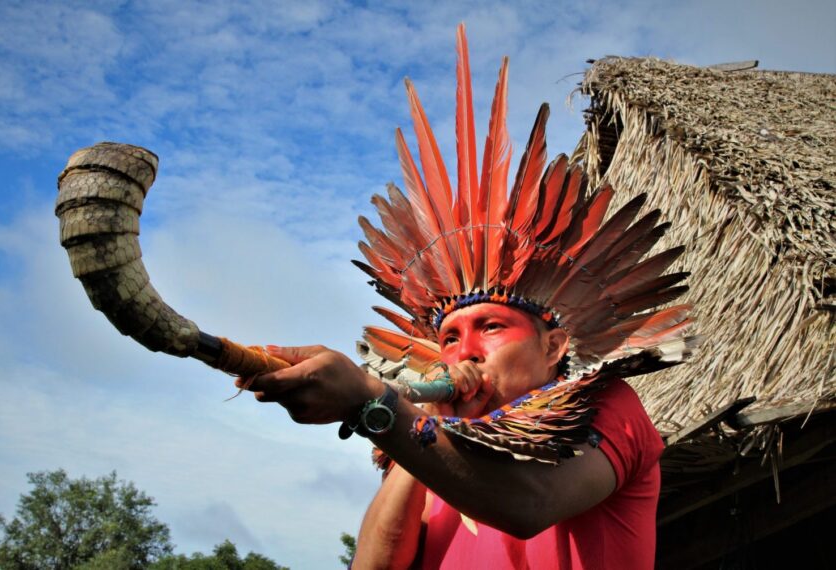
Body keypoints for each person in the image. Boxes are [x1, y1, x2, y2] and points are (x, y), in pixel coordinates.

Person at [236, 24, 694, 569]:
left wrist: (373, 401)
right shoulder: (431, 442)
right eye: (449, 337)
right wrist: (417, 419)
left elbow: (530, 504)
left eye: (492, 328)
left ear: (553, 346)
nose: (464, 351)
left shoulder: (610, 408)